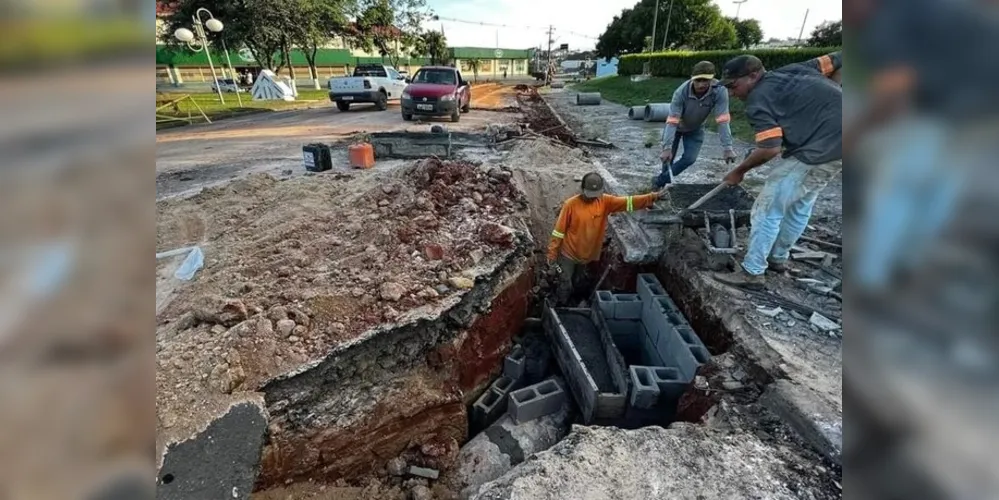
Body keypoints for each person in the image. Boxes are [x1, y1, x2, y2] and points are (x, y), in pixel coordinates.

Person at [712, 52, 843, 288]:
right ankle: (777, 259)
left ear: (753, 76)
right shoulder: (796, 69)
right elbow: (843, 57)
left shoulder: (758, 100)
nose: (732, 92)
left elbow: (769, 149)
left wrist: (739, 171)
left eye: (734, 86)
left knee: (767, 208)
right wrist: (833, 94)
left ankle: (752, 272)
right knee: (799, 204)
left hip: (816, 150)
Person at [547, 173, 665, 305]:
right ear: (582, 189)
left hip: (585, 256)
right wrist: (552, 253)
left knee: (578, 282)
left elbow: (628, 202)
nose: (592, 198)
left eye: (595, 195)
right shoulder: (570, 205)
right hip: (567, 255)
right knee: (565, 283)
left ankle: (574, 301)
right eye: (589, 194)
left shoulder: (605, 202)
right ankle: (561, 305)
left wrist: (653, 197)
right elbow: (558, 232)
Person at [654, 61, 738, 188]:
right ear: (692, 78)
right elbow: (672, 121)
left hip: (695, 129)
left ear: (712, 79)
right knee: (667, 159)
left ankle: (659, 181)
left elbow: (723, 120)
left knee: (690, 159)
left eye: (706, 80)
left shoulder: (719, 91)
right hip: (676, 127)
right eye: (698, 80)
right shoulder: (681, 92)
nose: (701, 84)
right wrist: (667, 147)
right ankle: (661, 188)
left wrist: (728, 148)